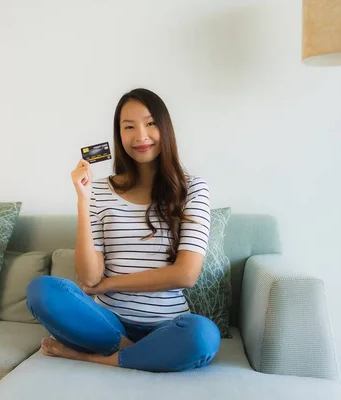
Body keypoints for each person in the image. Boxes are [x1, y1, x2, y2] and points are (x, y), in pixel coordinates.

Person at [26, 88, 221, 372]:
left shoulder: (193, 189)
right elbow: (90, 277)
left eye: (150, 123)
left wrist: (110, 284)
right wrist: (83, 200)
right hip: (106, 323)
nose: (141, 136)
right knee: (42, 290)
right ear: (119, 135)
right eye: (129, 127)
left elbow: (186, 274)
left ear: (165, 128)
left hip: (169, 326)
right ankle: (140, 355)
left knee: (202, 335)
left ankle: (93, 357)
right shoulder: (101, 191)